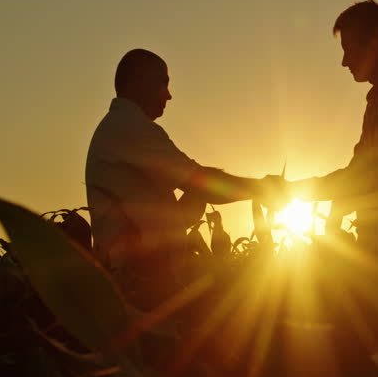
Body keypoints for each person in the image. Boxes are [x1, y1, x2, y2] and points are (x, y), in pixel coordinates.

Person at [85, 48, 285, 308]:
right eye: (163, 83)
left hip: (146, 282)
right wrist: (263, 188)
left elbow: (172, 200)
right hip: (138, 287)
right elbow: (199, 181)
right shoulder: (130, 127)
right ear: (139, 81)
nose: (169, 95)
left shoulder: (122, 128)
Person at [289, 1, 378, 277]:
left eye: (348, 49)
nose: (344, 61)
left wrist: (297, 193)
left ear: (373, 44)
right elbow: (360, 172)